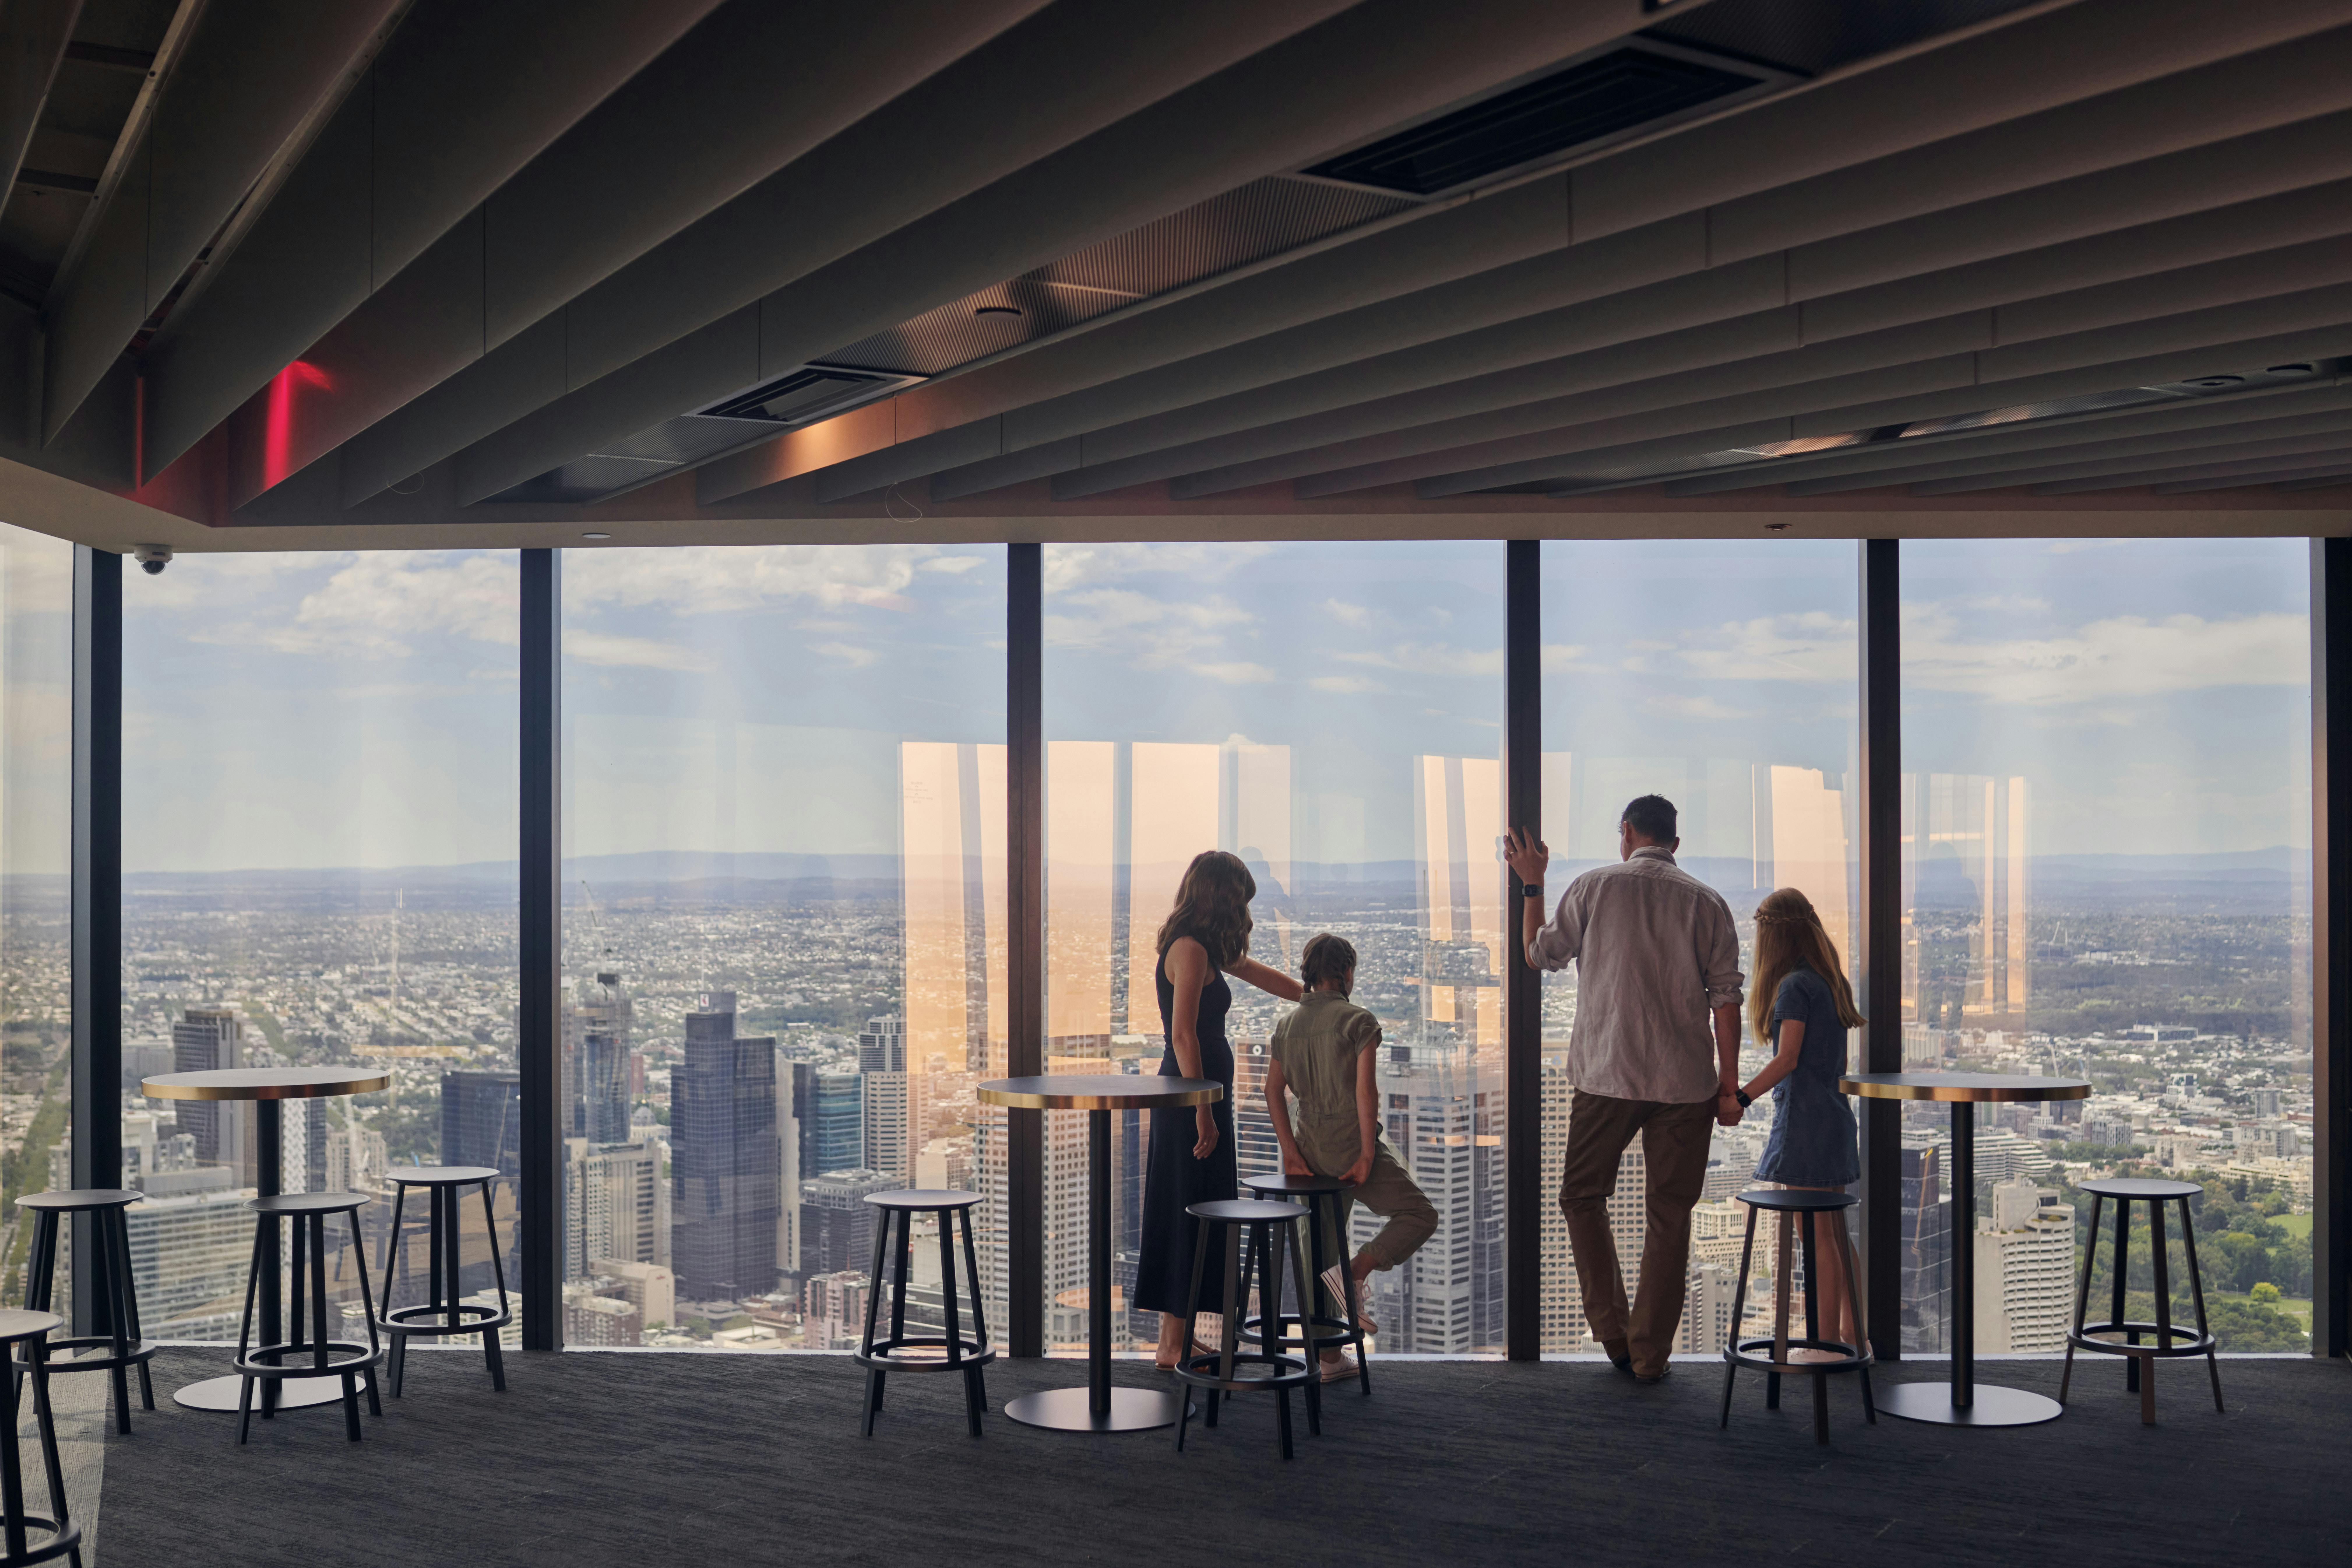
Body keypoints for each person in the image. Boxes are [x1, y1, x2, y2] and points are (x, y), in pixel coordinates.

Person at [1504, 794, 1744, 1383]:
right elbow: (1726, 1002)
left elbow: (1539, 956)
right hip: (1686, 1082)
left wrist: (1532, 886)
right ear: (1675, 845)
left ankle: (1610, 1331)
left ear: (1627, 833)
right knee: (1670, 1215)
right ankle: (1648, 1355)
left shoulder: (1594, 888)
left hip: (1606, 1075)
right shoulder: (1708, 903)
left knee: (1581, 1196)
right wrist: (1729, 1087)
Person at [1135, 849, 1303, 1371]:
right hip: (1191, 1097)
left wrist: (1317, 1000)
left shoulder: (1203, 947)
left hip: (1201, 1095)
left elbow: (1258, 972)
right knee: (1183, 1209)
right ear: (1219, 897)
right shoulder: (1188, 950)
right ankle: (1170, 1343)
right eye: (1240, 900)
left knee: (1193, 1207)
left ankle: (1174, 1341)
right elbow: (1183, 1033)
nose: (1245, 912)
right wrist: (1204, 1107)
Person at [1264, 933, 1438, 1381]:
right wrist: (1365, 1154)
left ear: (1309, 974)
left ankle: (1327, 1360)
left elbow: (1273, 1092)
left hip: (1307, 1149)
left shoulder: (1285, 1026)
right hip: (1348, 1143)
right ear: (1345, 973)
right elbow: (1366, 1092)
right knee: (1419, 1213)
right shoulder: (1358, 1021)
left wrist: (1290, 1152)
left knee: (1317, 1250)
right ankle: (1357, 1270)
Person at [1735, 886, 1866, 1361]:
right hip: (1835, 1120)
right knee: (1835, 1231)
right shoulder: (1829, 981)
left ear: (1774, 935)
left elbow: (1788, 1058)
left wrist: (1742, 1096)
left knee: (1815, 1236)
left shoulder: (1793, 986)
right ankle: (1853, 1333)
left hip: (1806, 1126)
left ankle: (1824, 1341)